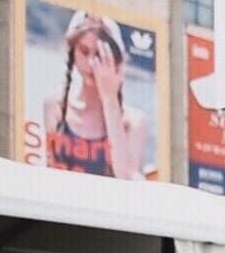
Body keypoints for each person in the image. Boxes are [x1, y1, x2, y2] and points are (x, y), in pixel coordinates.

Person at [43, 11, 150, 179]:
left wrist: (109, 98)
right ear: (73, 52)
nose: (91, 63)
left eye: (100, 54)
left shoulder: (134, 121)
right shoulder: (54, 106)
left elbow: (126, 178)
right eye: (84, 52)